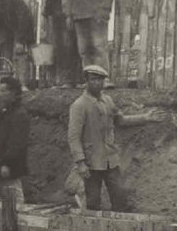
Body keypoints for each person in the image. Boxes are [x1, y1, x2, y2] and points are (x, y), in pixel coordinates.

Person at [67, 65, 166, 211]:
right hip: (91, 162)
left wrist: (145, 117)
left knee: (120, 197)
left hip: (110, 160)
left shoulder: (107, 101)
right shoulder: (79, 105)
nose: (97, 83)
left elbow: (121, 120)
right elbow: (73, 137)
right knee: (93, 201)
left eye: (100, 80)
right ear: (86, 81)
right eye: (93, 79)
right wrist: (80, 162)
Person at [0, 76, 29, 204]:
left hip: (9, 168)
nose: (1, 95)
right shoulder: (3, 112)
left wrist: (7, 163)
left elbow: (17, 143)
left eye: (4, 91)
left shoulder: (20, 115)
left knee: (15, 202)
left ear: (14, 93)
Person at [67, 0, 115, 74]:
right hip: (79, 13)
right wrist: (69, 14)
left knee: (99, 47)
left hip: (97, 13)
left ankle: (103, 78)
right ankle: (90, 79)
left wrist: (104, 10)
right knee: (84, 50)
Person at [43, 0, 81, 87]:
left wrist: (69, 15)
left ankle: (70, 79)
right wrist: (45, 13)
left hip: (66, 15)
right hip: (55, 16)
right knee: (58, 48)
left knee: (68, 47)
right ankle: (60, 79)